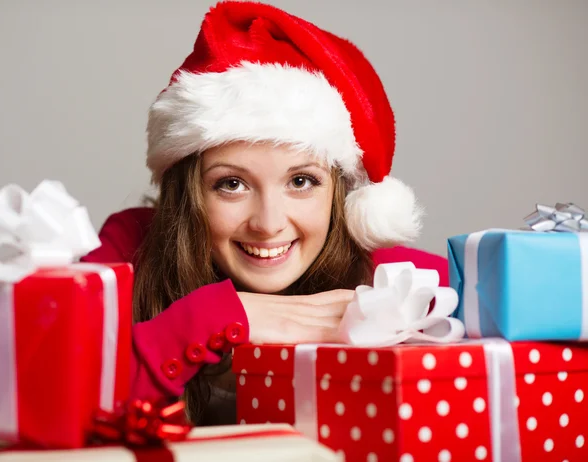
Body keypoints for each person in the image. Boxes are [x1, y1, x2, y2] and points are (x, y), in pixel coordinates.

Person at [81, 1, 449, 425]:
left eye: (301, 181)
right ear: (188, 193)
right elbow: (47, 398)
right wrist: (214, 318)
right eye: (231, 184)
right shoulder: (130, 250)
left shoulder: (390, 280)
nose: (269, 223)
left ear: (340, 194)